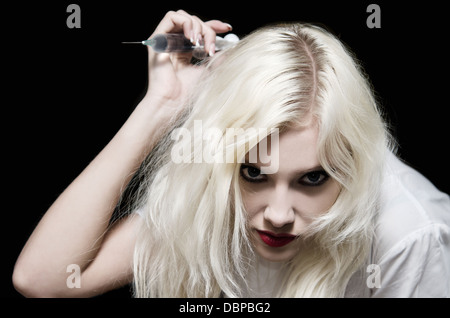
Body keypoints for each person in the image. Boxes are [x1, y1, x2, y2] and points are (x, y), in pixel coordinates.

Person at [13, 10, 450, 298]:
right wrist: (159, 107)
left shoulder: (412, 233)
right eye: (254, 174)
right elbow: (43, 278)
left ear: (351, 160)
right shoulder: (213, 185)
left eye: (313, 178)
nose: (278, 215)